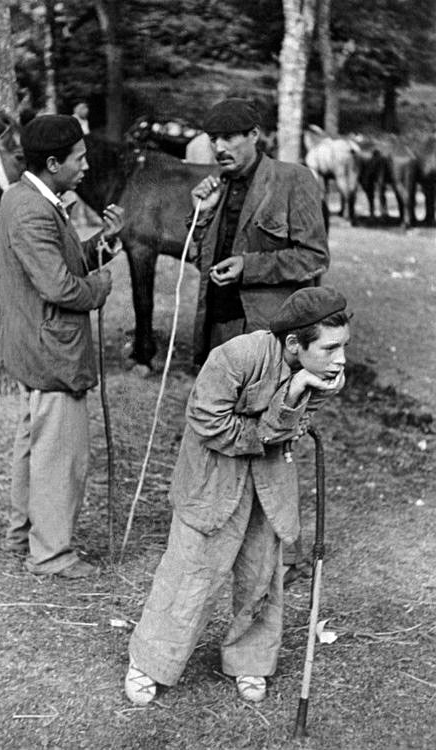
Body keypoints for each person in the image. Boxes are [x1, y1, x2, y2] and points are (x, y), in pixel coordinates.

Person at [124, 286, 350, 705]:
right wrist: (273, 421)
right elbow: (208, 422)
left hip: (269, 481)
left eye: (344, 347)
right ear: (294, 345)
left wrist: (299, 392)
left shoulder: (324, 373)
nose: (340, 359)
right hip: (213, 479)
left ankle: (251, 660)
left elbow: (293, 427)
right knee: (191, 574)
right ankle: (151, 661)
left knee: (262, 575)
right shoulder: (235, 357)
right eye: (331, 348)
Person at [189, 97, 330, 583]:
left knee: (274, 440)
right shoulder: (216, 190)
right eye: (214, 138)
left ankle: (284, 556)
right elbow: (196, 259)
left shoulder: (293, 180)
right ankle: (237, 544)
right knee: (230, 440)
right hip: (223, 334)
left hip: (270, 336)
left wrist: (250, 266)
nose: (220, 147)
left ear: (255, 136)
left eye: (230, 137)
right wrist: (202, 214)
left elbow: (312, 258)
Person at [0, 114, 124, 578]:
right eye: (79, 158)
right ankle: (51, 553)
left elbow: (59, 261)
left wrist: (103, 244)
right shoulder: (32, 209)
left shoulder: (27, 198)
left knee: (35, 442)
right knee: (59, 452)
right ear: (53, 163)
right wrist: (100, 286)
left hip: (36, 343)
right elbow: (60, 287)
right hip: (51, 349)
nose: (86, 166)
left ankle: (23, 531)